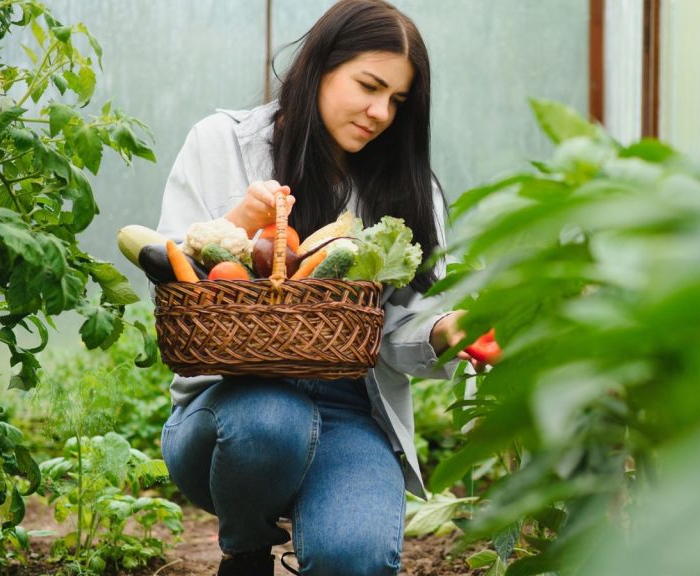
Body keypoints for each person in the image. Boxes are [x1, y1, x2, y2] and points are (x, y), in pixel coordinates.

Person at [155, 1, 482, 574]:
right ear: (321, 67)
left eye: (398, 101)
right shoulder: (222, 143)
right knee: (270, 420)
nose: (381, 112)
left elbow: (398, 323)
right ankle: (246, 553)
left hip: (349, 409)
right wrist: (238, 225)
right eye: (369, 86)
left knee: (355, 557)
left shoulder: (407, 187)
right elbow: (169, 271)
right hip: (225, 408)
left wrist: (443, 329)